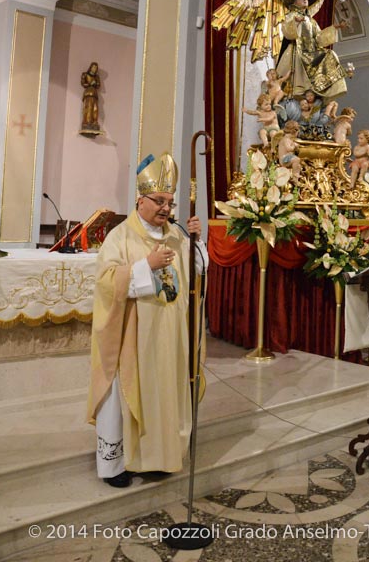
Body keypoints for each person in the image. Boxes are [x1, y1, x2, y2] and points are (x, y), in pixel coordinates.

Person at [87, 152, 208, 488]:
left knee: (165, 393)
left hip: (169, 337)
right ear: (141, 200)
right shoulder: (120, 237)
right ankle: (116, 466)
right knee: (124, 396)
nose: (166, 209)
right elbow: (106, 282)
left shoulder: (175, 233)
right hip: (132, 338)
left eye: (170, 202)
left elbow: (196, 275)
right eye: (159, 201)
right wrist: (146, 267)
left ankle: (159, 457)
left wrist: (196, 244)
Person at [275, 0, 350, 103]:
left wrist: (335, 27)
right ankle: (300, 90)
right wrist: (296, 22)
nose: (305, 0)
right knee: (299, 65)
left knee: (330, 54)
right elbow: (287, 32)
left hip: (311, 51)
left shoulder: (311, 21)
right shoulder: (292, 15)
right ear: (294, 2)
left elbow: (319, 38)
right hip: (297, 51)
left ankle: (325, 87)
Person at [81, 62, 101, 131]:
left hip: (94, 94)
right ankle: (87, 122)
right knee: (89, 107)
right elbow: (83, 83)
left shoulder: (96, 77)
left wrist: (95, 84)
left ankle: (94, 122)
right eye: (93, 67)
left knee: (95, 109)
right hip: (88, 93)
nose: (95, 69)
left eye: (96, 68)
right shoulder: (85, 74)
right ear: (90, 67)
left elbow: (98, 85)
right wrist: (90, 83)